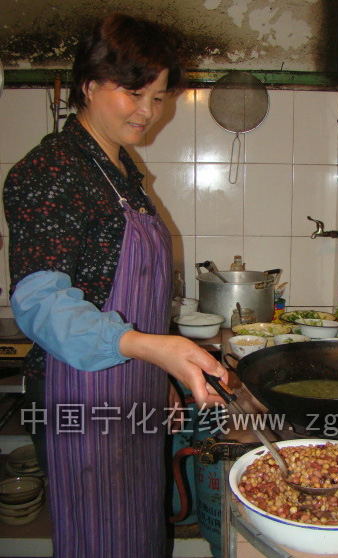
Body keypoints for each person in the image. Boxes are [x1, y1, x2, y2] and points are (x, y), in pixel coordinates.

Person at [3, 13, 228, 558]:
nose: (148, 111)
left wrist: (160, 375)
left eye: (159, 97)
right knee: (100, 539)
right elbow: (40, 302)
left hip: (133, 389)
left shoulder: (122, 174)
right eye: (134, 92)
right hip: (79, 396)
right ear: (87, 84)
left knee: (139, 531)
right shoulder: (52, 169)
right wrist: (152, 350)